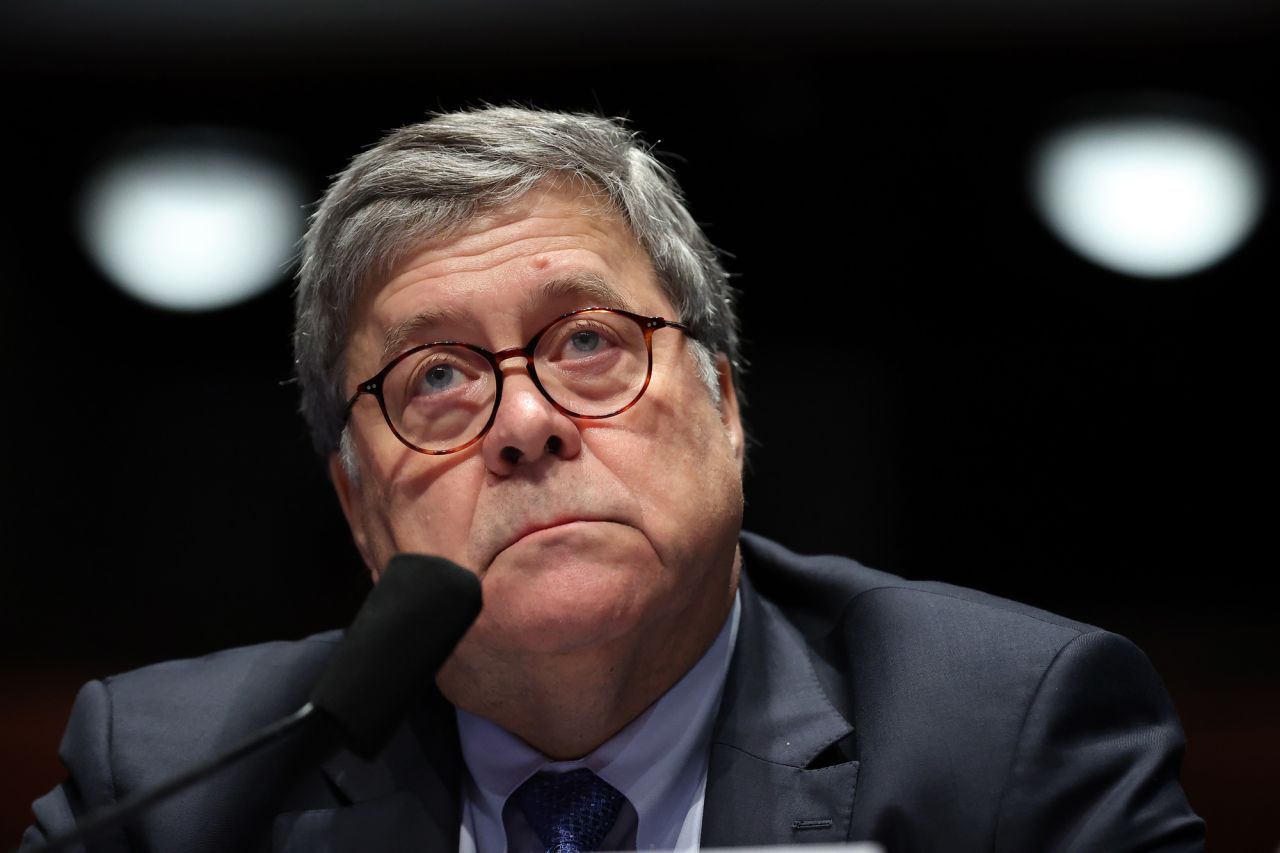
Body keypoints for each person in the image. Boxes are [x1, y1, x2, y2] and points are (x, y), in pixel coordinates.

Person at [22, 107, 1205, 852]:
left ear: (726, 407)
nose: (526, 422)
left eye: (587, 342)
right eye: (436, 376)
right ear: (356, 504)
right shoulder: (175, 783)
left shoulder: (998, 736)